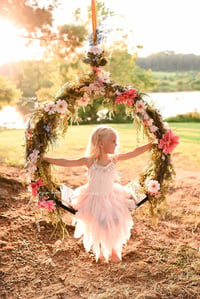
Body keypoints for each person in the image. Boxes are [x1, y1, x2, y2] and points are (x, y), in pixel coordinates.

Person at [43, 125, 153, 263]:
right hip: (92, 198)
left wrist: (151, 144)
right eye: (113, 141)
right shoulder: (89, 161)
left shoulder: (113, 159)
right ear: (101, 144)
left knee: (116, 221)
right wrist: (46, 159)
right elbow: (66, 162)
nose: (116, 144)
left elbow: (134, 152)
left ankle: (113, 249)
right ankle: (102, 249)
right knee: (100, 224)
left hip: (112, 196)